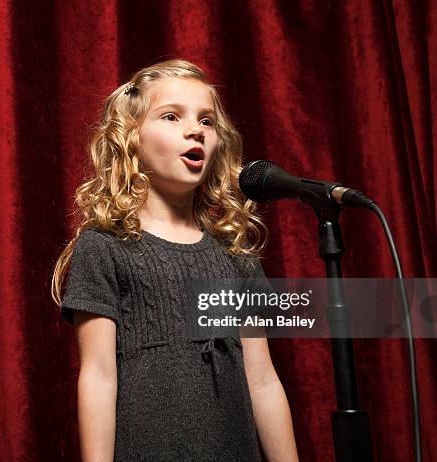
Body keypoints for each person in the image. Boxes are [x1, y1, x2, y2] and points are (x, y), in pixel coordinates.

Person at [51, 59, 298, 461]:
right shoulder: (105, 246)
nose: (194, 131)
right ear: (130, 138)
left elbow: (263, 379)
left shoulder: (236, 255)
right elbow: (98, 377)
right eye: (170, 116)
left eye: (207, 121)